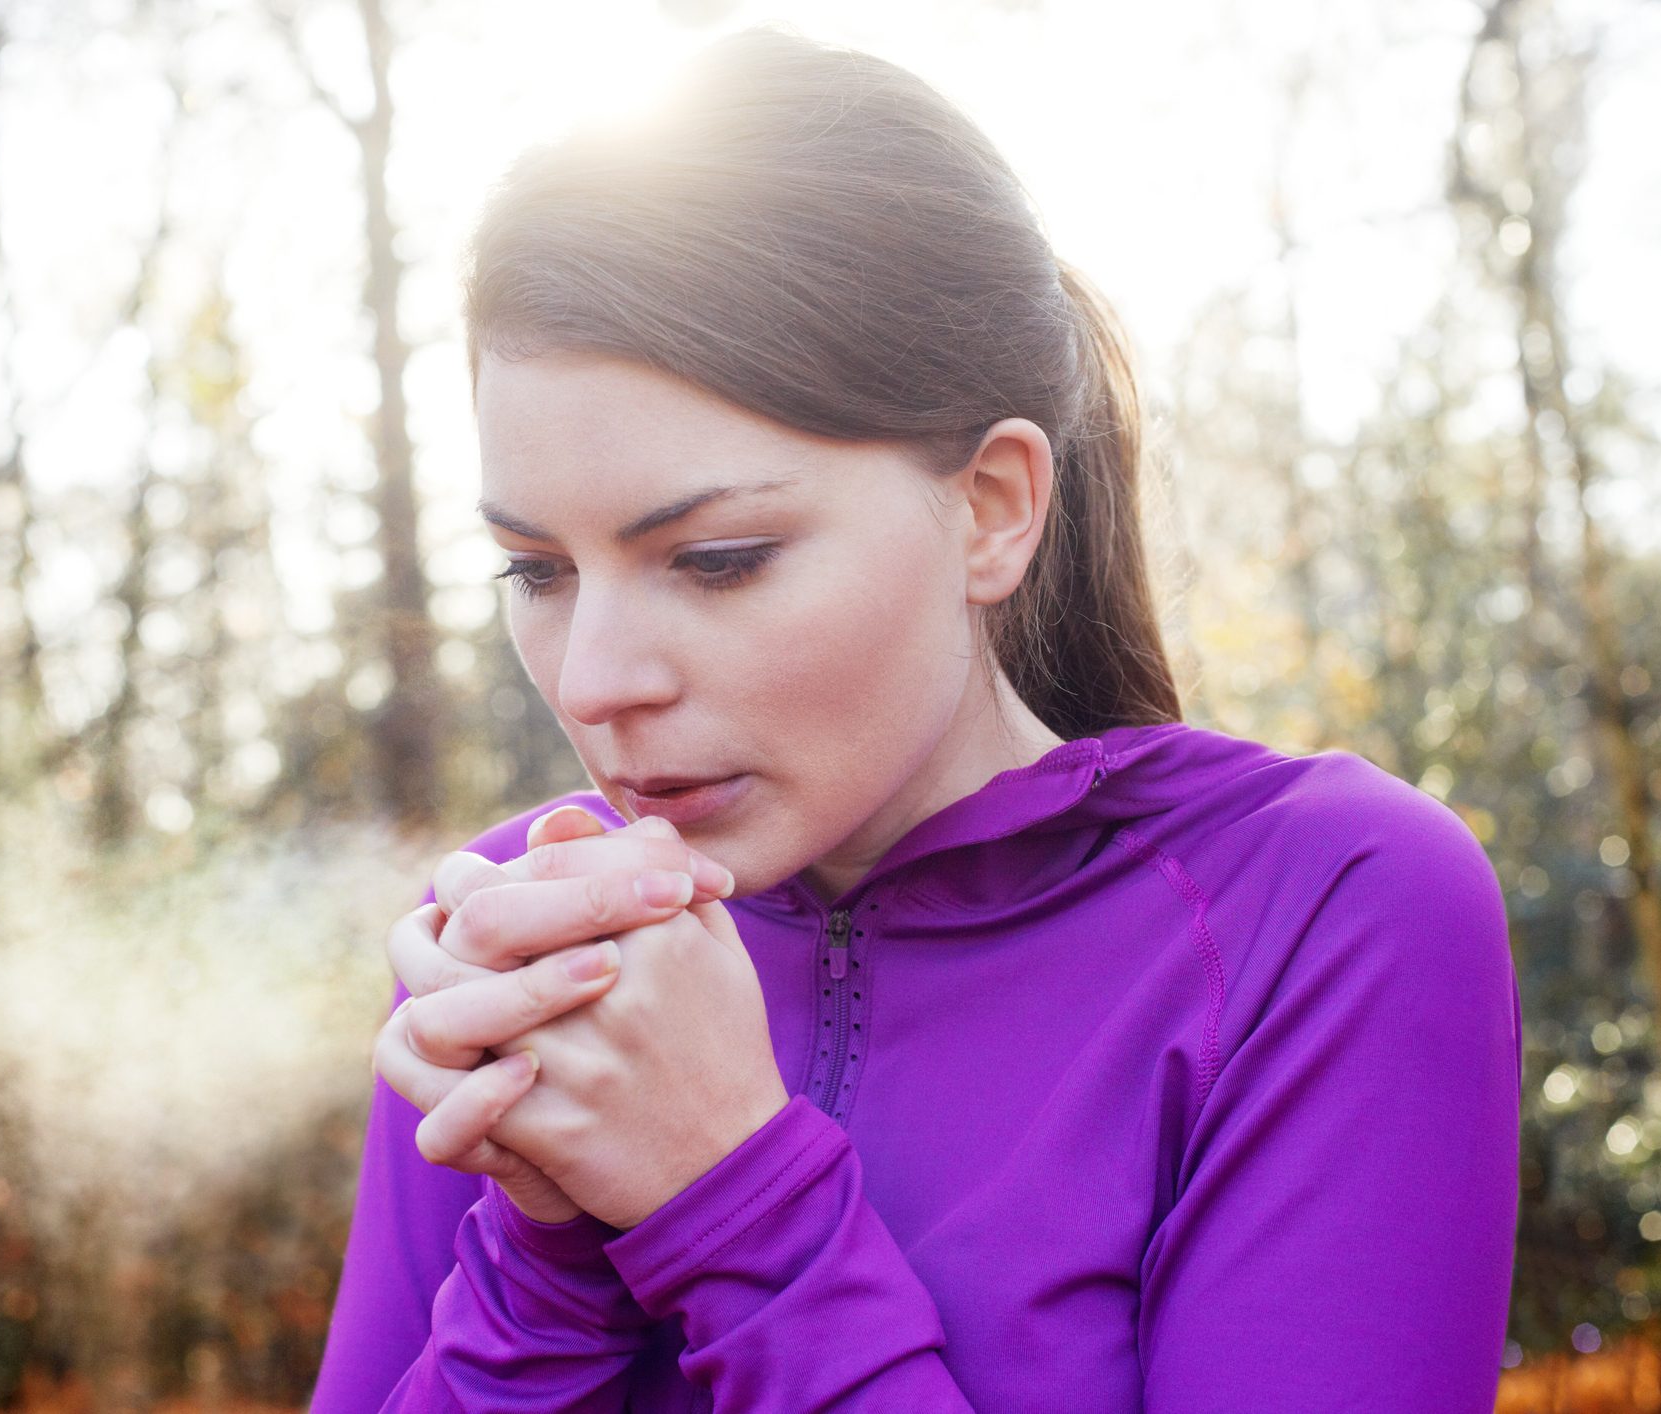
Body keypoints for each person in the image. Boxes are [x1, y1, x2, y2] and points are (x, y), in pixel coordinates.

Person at [310, 28, 1521, 1412]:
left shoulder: (1323, 907)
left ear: (991, 506)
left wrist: (729, 1203)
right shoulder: (516, 960)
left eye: (716, 560)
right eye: (537, 569)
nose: (590, 680)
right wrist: (545, 1262)